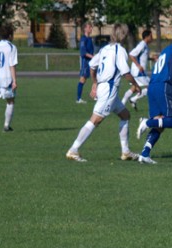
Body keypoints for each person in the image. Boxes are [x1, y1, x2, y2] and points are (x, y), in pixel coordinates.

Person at [65, 24, 141, 162]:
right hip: (109, 89)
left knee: (125, 115)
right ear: (123, 35)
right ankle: (73, 150)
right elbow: (126, 73)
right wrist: (135, 85)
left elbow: (92, 65)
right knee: (96, 119)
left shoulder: (105, 48)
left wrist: (95, 83)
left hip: (107, 89)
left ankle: (126, 152)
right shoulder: (120, 50)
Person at [135, 26, 172, 164]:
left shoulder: (167, 49)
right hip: (164, 86)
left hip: (153, 86)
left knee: (160, 124)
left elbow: (164, 68)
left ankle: (144, 154)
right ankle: (147, 122)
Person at [121, 30, 155, 110]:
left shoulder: (145, 46)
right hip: (139, 72)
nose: (152, 38)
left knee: (134, 88)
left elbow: (143, 57)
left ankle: (122, 104)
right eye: (151, 36)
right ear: (146, 37)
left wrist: (152, 58)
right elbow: (132, 55)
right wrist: (138, 66)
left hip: (140, 72)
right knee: (152, 86)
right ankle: (134, 99)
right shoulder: (142, 45)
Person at [76, 22, 94, 104]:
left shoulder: (90, 39)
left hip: (92, 62)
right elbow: (83, 52)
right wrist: (93, 57)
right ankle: (78, 99)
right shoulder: (83, 39)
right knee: (83, 79)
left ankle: (95, 95)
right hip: (86, 62)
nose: (91, 29)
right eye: (89, 27)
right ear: (85, 29)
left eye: (91, 27)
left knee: (96, 78)